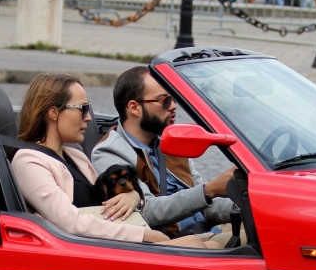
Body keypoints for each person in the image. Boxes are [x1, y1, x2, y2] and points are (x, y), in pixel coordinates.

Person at [10, 74, 214, 247]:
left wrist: (134, 196)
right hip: (88, 251)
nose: (89, 117)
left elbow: (104, 201)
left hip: (110, 243)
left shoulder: (76, 155)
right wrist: (143, 236)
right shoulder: (29, 161)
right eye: (82, 108)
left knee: (218, 244)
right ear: (53, 113)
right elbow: (69, 222)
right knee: (203, 247)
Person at [91, 66, 237, 241]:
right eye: (164, 100)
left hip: (206, 230)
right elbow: (147, 210)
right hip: (173, 244)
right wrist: (210, 190)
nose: (173, 106)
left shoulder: (170, 143)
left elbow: (205, 204)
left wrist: (244, 205)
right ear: (134, 107)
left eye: (174, 98)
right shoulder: (110, 152)